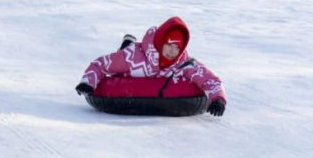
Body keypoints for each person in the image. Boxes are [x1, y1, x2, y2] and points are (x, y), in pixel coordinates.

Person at [76, 16, 227, 116]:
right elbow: (101, 64)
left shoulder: (183, 63)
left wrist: (218, 99)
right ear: (162, 41)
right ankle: (128, 43)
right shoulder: (133, 58)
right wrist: (87, 82)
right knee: (124, 51)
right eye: (170, 45)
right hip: (136, 52)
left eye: (178, 48)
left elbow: (208, 78)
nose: (173, 52)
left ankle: (129, 42)